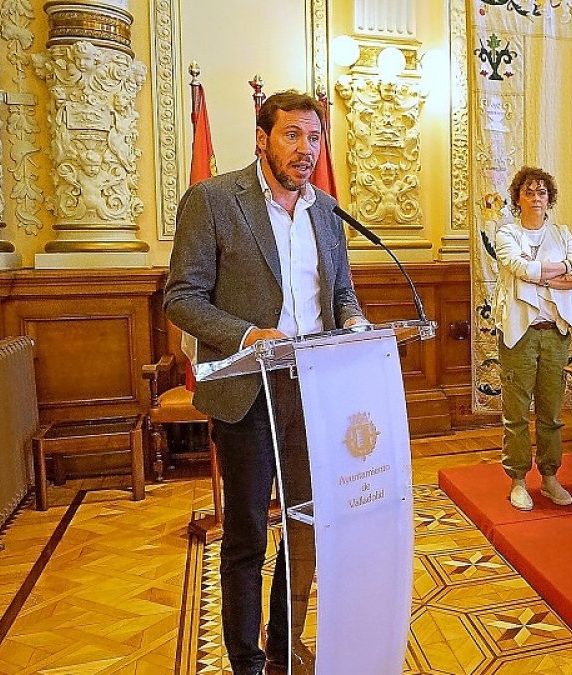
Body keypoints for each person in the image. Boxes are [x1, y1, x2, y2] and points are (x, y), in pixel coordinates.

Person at [165, 91, 369, 675]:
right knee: (249, 533)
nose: (306, 149)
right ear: (262, 137)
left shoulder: (327, 210)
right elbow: (182, 299)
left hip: (314, 391)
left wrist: (352, 319)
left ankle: (284, 641)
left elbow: (340, 293)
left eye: (314, 137)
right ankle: (246, 660)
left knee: (305, 524)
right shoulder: (213, 200)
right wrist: (248, 335)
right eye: (292, 136)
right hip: (247, 391)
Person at [492, 166, 572, 511]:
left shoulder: (562, 234)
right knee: (516, 413)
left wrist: (543, 277)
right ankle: (518, 480)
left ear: (550, 199)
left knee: (551, 413)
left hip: (555, 334)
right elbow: (520, 268)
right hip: (519, 335)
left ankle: (549, 476)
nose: (536, 198)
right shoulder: (506, 233)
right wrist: (556, 271)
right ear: (518, 198)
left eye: (542, 192)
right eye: (529, 192)